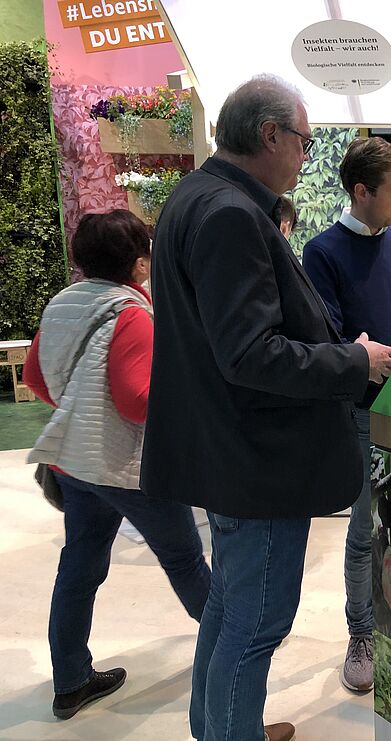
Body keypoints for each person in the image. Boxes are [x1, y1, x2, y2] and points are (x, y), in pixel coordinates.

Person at [140, 75, 391, 741]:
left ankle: (221, 727)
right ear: (269, 135)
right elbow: (252, 354)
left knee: (231, 608)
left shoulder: (196, 197)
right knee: (256, 623)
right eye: (305, 143)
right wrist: (354, 360)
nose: (304, 157)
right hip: (256, 460)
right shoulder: (230, 213)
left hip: (225, 450)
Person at [23, 210, 211, 720]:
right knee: (186, 562)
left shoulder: (61, 303)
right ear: (137, 261)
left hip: (74, 465)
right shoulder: (132, 312)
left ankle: (71, 681)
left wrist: (80, 409)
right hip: (127, 467)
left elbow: (35, 379)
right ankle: (232, 645)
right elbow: (135, 401)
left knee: (79, 568)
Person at [302, 136, 391, 692]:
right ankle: (361, 633)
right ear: (361, 191)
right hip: (364, 413)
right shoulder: (323, 253)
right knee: (365, 529)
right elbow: (330, 336)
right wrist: (358, 354)